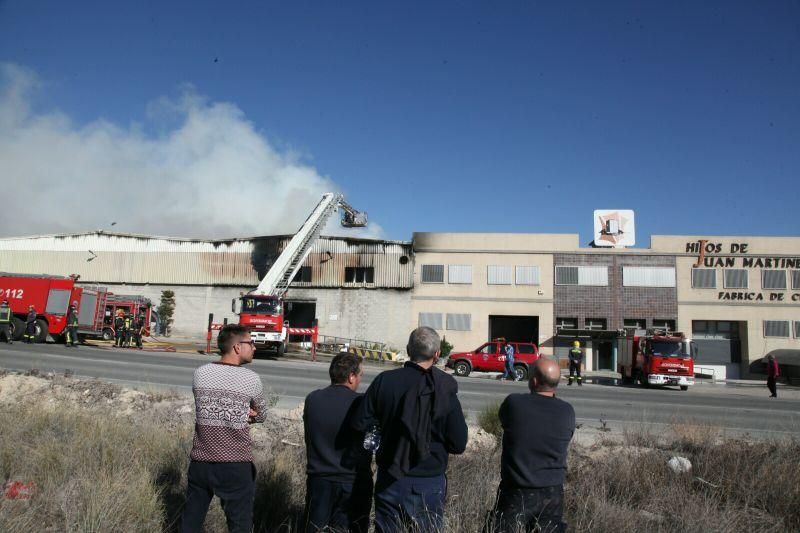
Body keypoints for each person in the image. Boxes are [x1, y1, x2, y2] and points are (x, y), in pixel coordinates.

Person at [353, 326, 468, 533]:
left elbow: (360, 422)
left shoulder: (384, 381)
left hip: (390, 476)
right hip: (429, 481)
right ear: (437, 354)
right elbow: (458, 443)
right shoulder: (444, 389)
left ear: (408, 349)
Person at [181, 324, 267, 533]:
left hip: (200, 462)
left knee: (190, 522)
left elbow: (209, 405)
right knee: (240, 525)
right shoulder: (251, 379)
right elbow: (262, 414)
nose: (254, 347)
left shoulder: (200, 373)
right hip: (235, 464)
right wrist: (249, 413)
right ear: (238, 347)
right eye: (251, 343)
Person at [492, 358, 576, 533]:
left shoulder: (514, 403)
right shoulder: (567, 411)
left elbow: (503, 421)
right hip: (552, 492)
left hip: (516, 489)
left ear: (534, 381)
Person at [302, 352, 373, 532]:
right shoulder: (362, 403)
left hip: (319, 479)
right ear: (351, 376)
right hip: (352, 481)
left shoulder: (313, 399)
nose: (359, 381)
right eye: (359, 376)